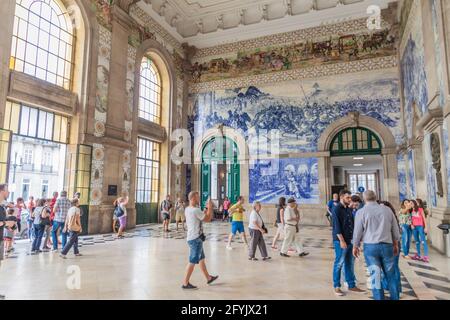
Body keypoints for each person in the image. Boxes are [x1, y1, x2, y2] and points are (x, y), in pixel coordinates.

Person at [353, 190, 401, 300]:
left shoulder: (361, 212)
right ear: (376, 197)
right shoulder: (387, 210)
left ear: (364, 199)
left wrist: (355, 246)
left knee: (375, 276)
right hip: (387, 246)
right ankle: (395, 297)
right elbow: (395, 229)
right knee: (391, 275)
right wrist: (396, 243)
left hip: (370, 248)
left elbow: (357, 232)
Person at [182, 192, 218, 290]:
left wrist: (206, 209)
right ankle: (185, 283)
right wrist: (210, 207)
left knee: (201, 259)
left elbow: (201, 217)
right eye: (197, 197)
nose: (199, 199)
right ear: (193, 198)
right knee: (192, 261)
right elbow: (208, 219)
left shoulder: (187, 209)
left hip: (192, 237)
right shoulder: (195, 210)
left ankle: (208, 278)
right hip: (195, 239)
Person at [331, 190, 364, 296]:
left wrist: (356, 242)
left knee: (349, 263)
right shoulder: (336, 209)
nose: (350, 200)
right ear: (341, 197)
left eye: (350, 197)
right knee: (339, 263)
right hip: (341, 241)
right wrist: (342, 241)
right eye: (347, 198)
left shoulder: (349, 209)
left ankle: (351, 285)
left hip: (350, 240)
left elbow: (353, 226)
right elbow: (336, 227)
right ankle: (336, 286)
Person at [380, 201, 402, 296]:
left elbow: (396, 234)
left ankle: (396, 289)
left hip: (393, 244)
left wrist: (395, 244)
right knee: (388, 267)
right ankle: (387, 286)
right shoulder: (385, 217)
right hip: (388, 245)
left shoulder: (390, 218)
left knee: (394, 267)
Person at [0, 184, 10, 300]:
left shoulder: (2, 207)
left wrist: (8, 226)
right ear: (2, 191)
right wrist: (4, 223)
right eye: (7, 190)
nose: (8, 193)